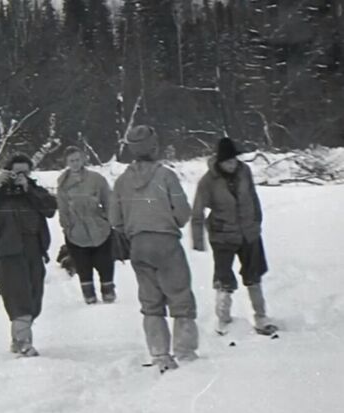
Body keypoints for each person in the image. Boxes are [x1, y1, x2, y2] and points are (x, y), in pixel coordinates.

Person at [110, 124, 198, 372]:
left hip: (138, 244)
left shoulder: (122, 181)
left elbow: (115, 219)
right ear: (153, 146)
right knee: (180, 297)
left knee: (150, 302)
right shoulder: (166, 175)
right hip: (167, 242)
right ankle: (186, 353)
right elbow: (183, 213)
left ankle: (159, 354)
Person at [0, 153, 57, 357]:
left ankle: (18, 339)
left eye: (24, 172)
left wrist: (29, 189)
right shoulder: (0, 194)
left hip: (34, 249)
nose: (20, 176)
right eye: (16, 172)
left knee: (35, 298)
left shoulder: (34, 191)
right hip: (10, 250)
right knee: (18, 297)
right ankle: (24, 342)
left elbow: (51, 208)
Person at [192, 137, 277, 335]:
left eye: (234, 160)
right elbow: (197, 211)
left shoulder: (244, 171)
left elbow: (253, 197)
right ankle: (223, 320)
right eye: (227, 162)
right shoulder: (208, 181)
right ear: (219, 162)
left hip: (249, 233)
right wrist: (198, 241)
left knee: (254, 275)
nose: (232, 165)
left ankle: (261, 317)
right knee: (224, 279)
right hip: (223, 237)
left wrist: (256, 222)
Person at [57, 146, 116, 304]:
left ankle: (108, 292)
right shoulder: (63, 183)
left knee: (105, 262)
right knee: (83, 264)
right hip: (76, 231)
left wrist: (108, 221)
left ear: (83, 159)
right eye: (71, 161)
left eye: (77, 159)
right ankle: (88, 295)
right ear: (67, 162)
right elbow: (62, 208)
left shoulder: (97, 179)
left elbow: (109, 201)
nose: (75, 163)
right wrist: (67, 227)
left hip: (99, 227)